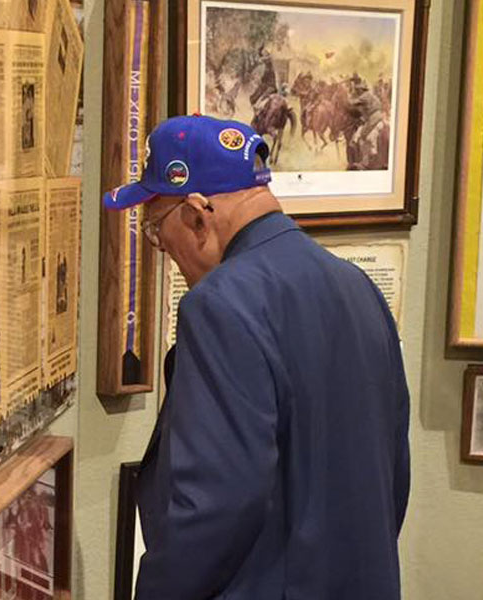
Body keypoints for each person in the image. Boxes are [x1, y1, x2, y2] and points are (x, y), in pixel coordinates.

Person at [103, 115, 410, 599]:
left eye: (158, 231)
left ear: (197, 214)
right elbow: (393, 474)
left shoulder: (219, 304)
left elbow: (215, 504)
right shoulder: (357, 287)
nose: (164, 251)